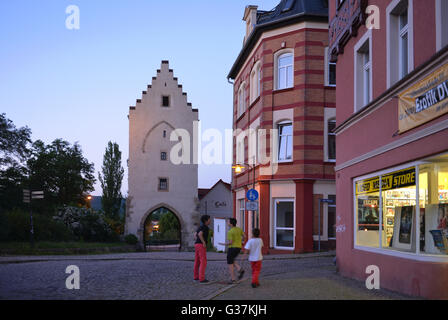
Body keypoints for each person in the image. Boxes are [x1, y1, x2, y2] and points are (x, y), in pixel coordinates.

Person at [220, 218, 245, 284]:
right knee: (232, 260)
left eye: (228, 222)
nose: (227, 222)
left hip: (232, 248)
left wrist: (223, 244)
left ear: (231, 224)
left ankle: (233, 279)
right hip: (238, 248)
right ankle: (240, 269)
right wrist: (242, 242)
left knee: (230, 263)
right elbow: (244, 236)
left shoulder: (230, 232)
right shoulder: (239, 229)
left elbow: (230, 242)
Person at [194, 215, 211, 284]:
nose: (210, 221)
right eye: (209, 219)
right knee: (203, 261)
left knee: (197, 261)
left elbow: (195, 234)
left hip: (196, 244)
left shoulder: (200, 227)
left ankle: (196, 276)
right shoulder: (205, 227)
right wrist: (203, 242)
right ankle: (202, 278)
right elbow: (200, 234)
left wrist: (197, 240)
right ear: (206, 221)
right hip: (201, 245)